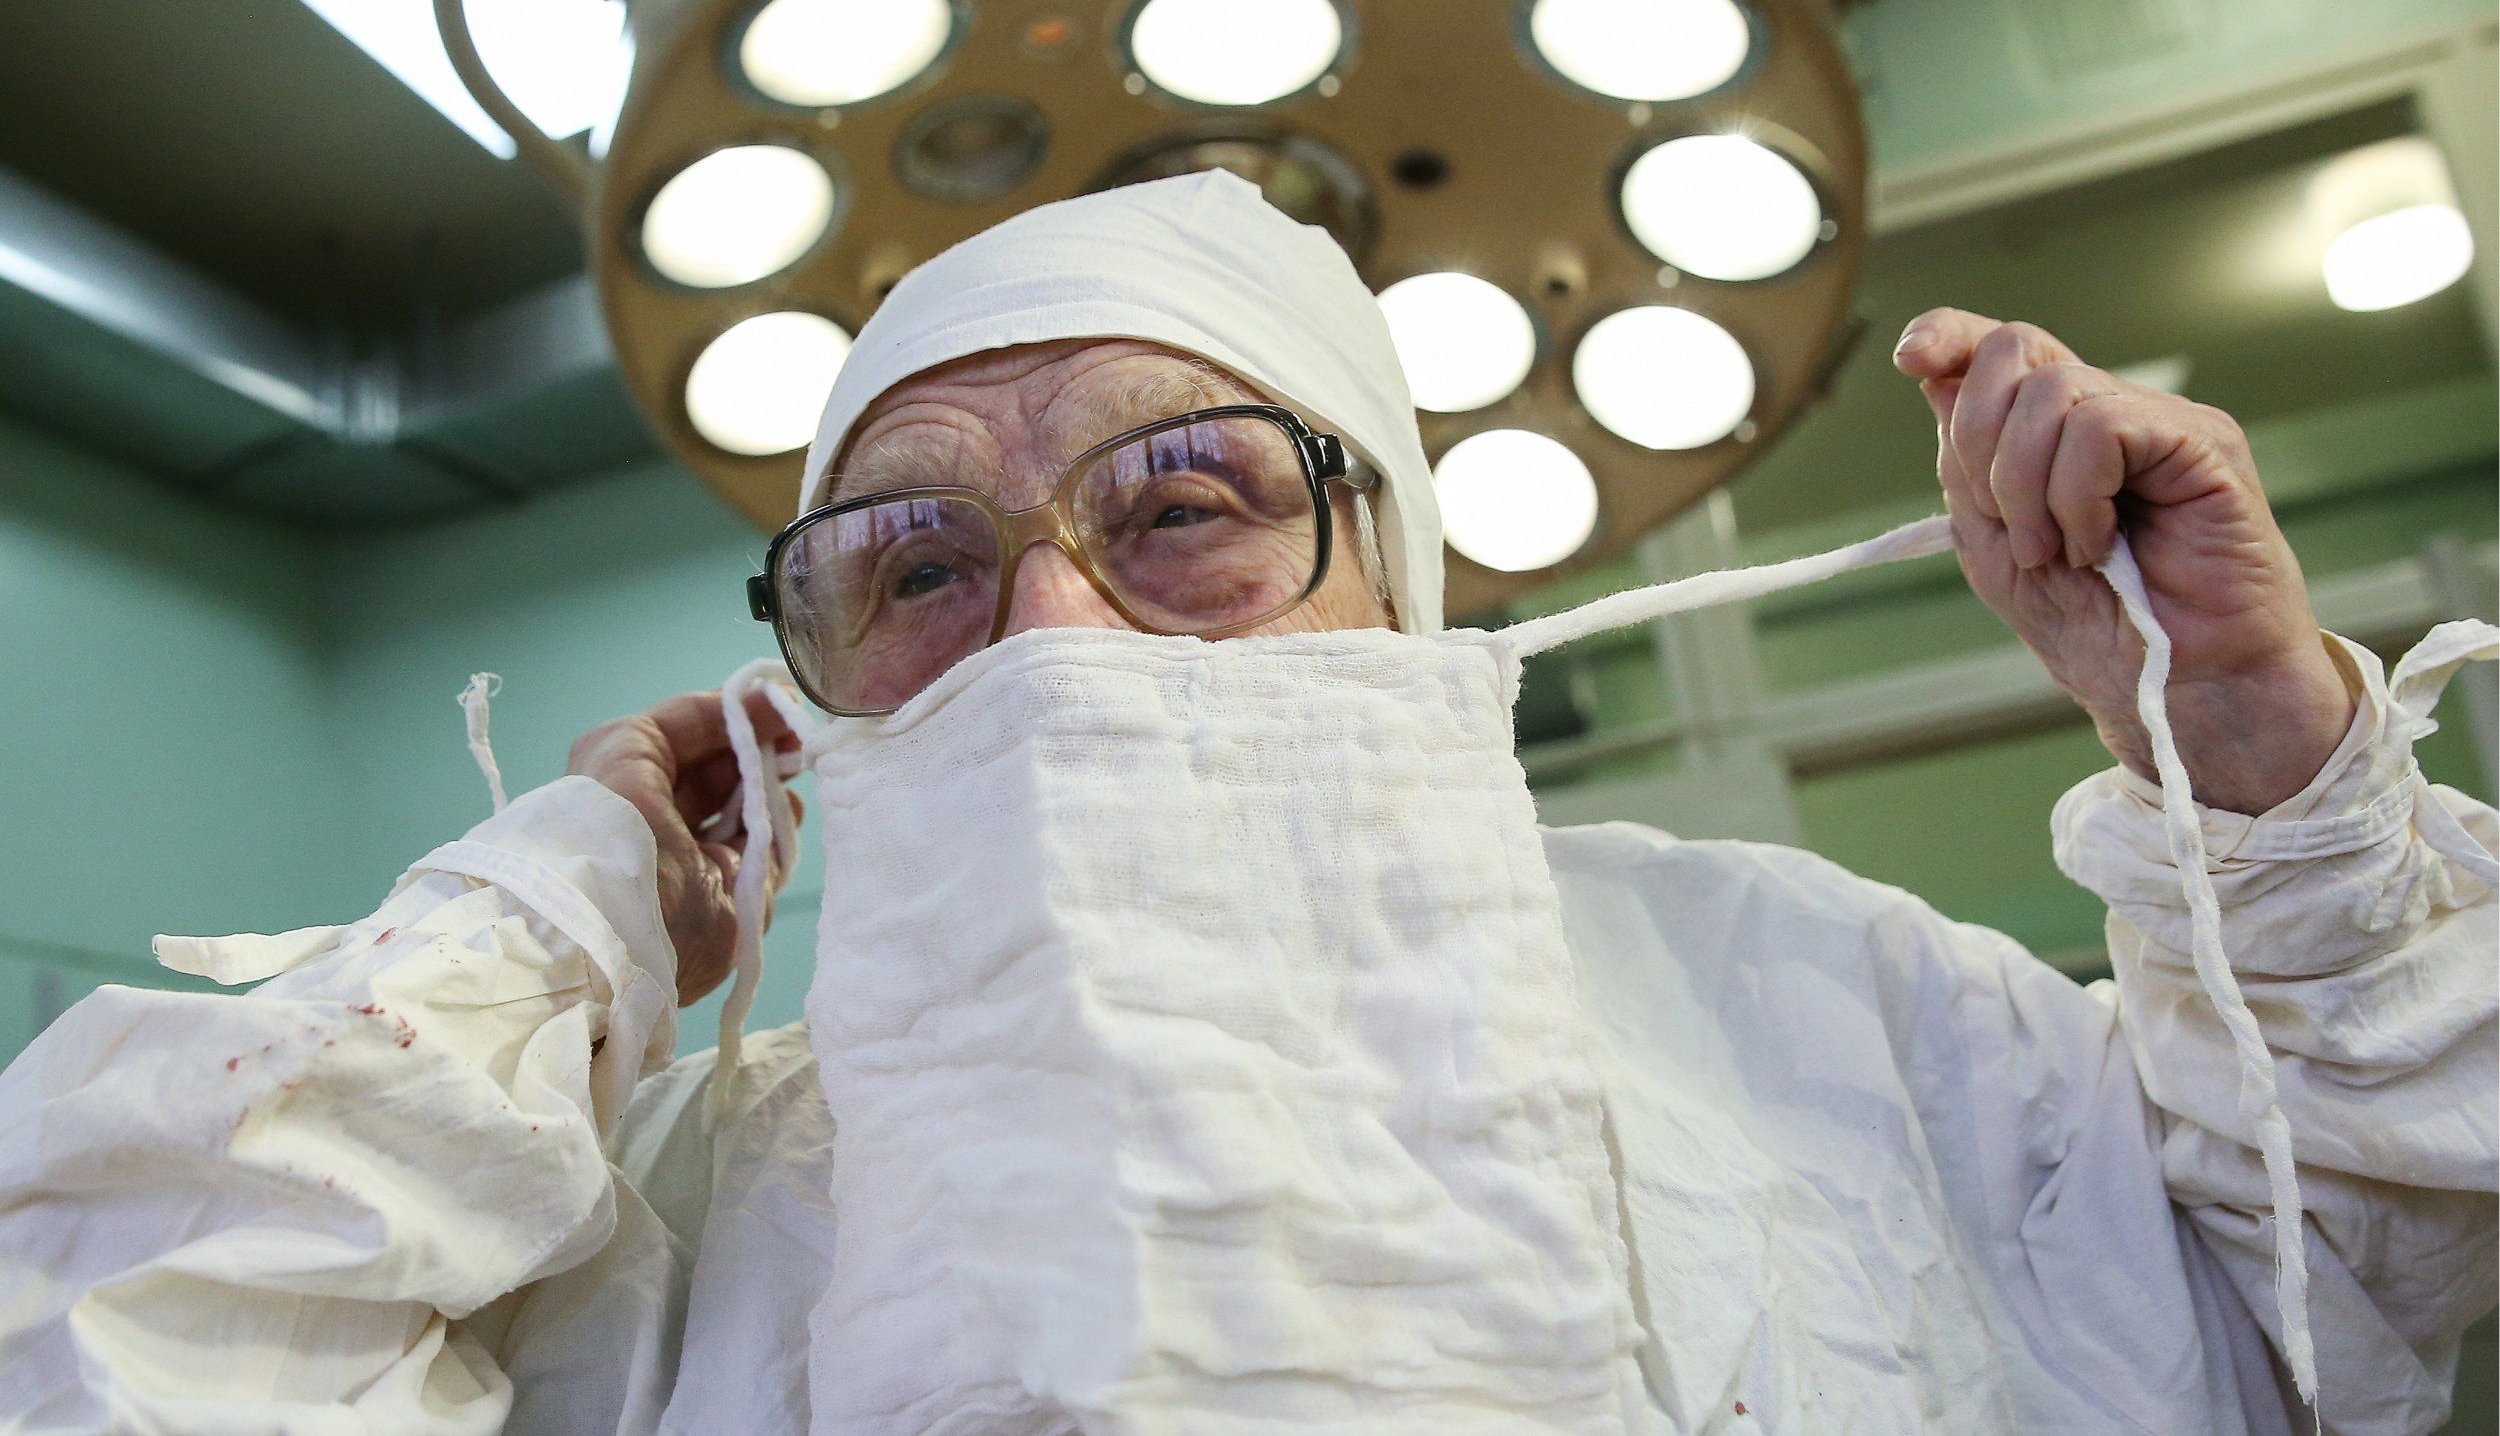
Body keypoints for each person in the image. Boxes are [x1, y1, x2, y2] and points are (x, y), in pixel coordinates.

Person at [0, 169, 2490, 1434]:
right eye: (915, 568)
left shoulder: (1813, 993)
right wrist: (548, 921)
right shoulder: (695, 1197)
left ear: (1397, 582)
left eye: (1182, 504)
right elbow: (103, 1361)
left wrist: (2253, 759)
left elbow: (2340, 1315)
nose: (1051, 632)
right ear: (814, 685)